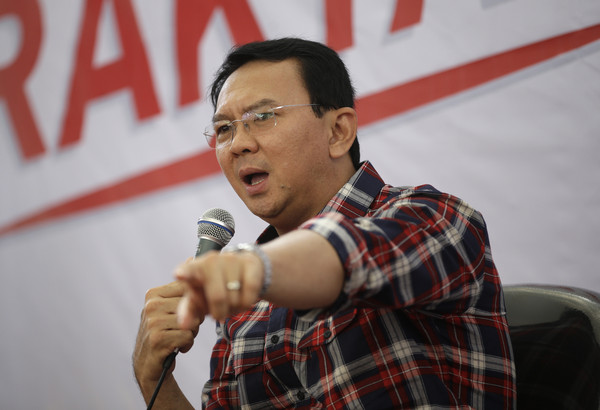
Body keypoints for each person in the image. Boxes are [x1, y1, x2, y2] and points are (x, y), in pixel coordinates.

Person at [133, 37, 516, 409]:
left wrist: (254, 269)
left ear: (338, 131)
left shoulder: (433, 217)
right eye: (223, 129)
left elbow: (347, 253)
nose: (237, 144)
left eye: (262, 117)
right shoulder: (241, 302)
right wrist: (153, 380)